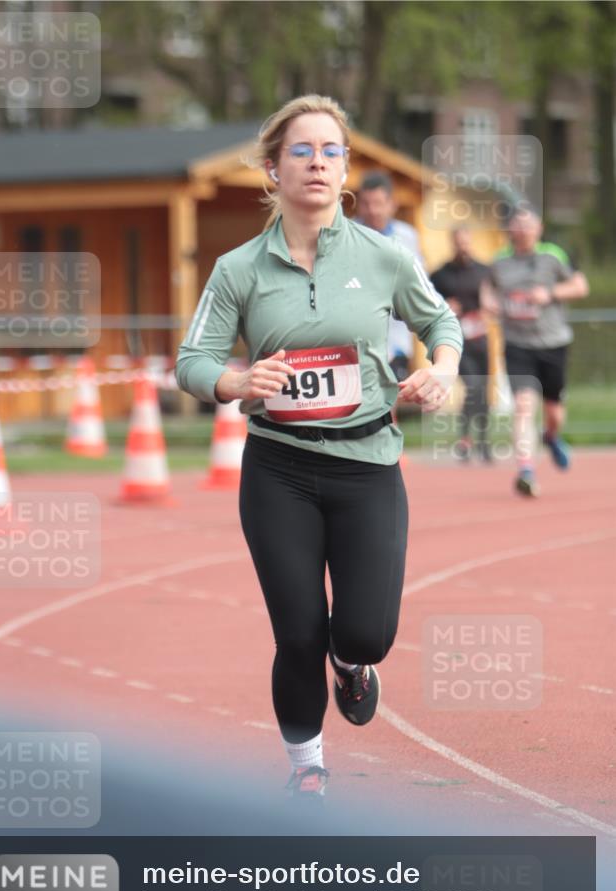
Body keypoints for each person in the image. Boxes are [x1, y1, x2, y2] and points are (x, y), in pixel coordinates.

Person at [175, 94, 462, 800]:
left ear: (345, 169)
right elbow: (191, 361)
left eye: (331, 151)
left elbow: (442, 323)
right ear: (273, 169)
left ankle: (351, 660)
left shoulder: (384, 256)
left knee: (366, 632)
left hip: (367, 465)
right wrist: (236, 381)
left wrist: (442, 369)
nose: (317, 163)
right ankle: (306, 766)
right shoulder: (238, 269)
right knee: (297, 632)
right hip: (279, 469)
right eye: (301, 151)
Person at [483, 208, 589, 497]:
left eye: (528, 225)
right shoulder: (500, 261)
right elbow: (487, 288)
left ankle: (551, 436)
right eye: (517, 225)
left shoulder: (553, 256)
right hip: (517, 345)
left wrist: (550, 294)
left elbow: (580, 286)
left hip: (553, 343)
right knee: (524, 406)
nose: (523, 230)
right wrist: (490, 303)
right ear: (510, 230)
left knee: (554, 413)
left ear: (539, 228)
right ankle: (526, 470)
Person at [430, 228, 492, 462]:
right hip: (455, 341)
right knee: (473, 386)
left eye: (466, 242)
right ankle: (465, 438)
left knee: (483, 391)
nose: (463, 247)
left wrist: (489, 309)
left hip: (480, 339)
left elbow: (493, 299)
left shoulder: (484, 271)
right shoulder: (440, 275)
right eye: (459, 243)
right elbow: (427, 301)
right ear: (453, 244)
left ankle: (483, 441)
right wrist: (444, 305)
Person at [356, 172, 423, 382]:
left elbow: (418, 282)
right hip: (357, 339)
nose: (372, 210)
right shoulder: (347, 234)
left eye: (378, 203)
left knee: (392, 393)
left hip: (396, 338)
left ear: (391, 204)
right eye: (366, 204)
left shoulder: (407, 236)